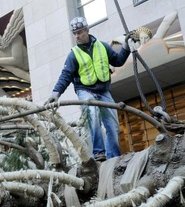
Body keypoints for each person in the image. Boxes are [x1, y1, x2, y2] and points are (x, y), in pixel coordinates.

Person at [45, 17, 132, 161]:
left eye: (79, 32)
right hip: (85, 90)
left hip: (104, 91)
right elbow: (65, 76)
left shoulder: (102, 46)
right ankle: (99, 153)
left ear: (87, 30)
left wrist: (127, 47)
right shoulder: (74, 54)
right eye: (75, 33)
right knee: (93, 115)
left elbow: (118, 60)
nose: (77, 36)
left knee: (113, 125)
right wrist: (56, 94)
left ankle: (114, 158)